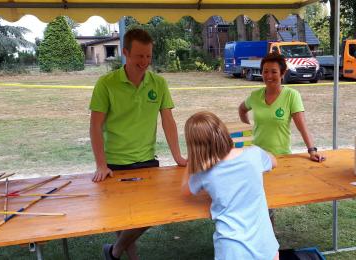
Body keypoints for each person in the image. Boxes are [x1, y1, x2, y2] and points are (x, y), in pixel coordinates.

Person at [89, 28, 186, 260]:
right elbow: (95, 127)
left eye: (149, 56)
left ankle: (113, 251)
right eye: (139, 56)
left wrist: (178, 157)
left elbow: (168, 121)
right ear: (125, 53)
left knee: (151, 216)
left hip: (147, 161)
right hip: (115, 164)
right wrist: (101, 165)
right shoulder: (106, 83)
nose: (145, 62)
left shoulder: (159, 83)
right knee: (123, 220)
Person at [182, 111, 280, 260]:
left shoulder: (204, 172)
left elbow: (185, 190)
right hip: (266, 246)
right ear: (223, 131)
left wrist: (191, 162)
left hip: (232, 250)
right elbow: (274, 161)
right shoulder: (254, 155)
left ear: (195, 147)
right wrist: (258, 151)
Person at [238, 52, 324, 161]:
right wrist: (248, 130)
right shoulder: (255, 95)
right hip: (258, 156)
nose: (269, 76)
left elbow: (302, 127)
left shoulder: (292, 95)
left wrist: (312, 151)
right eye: (265, 72)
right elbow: (242, 109)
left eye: (274, 72)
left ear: (282, 73)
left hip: (282, 157)